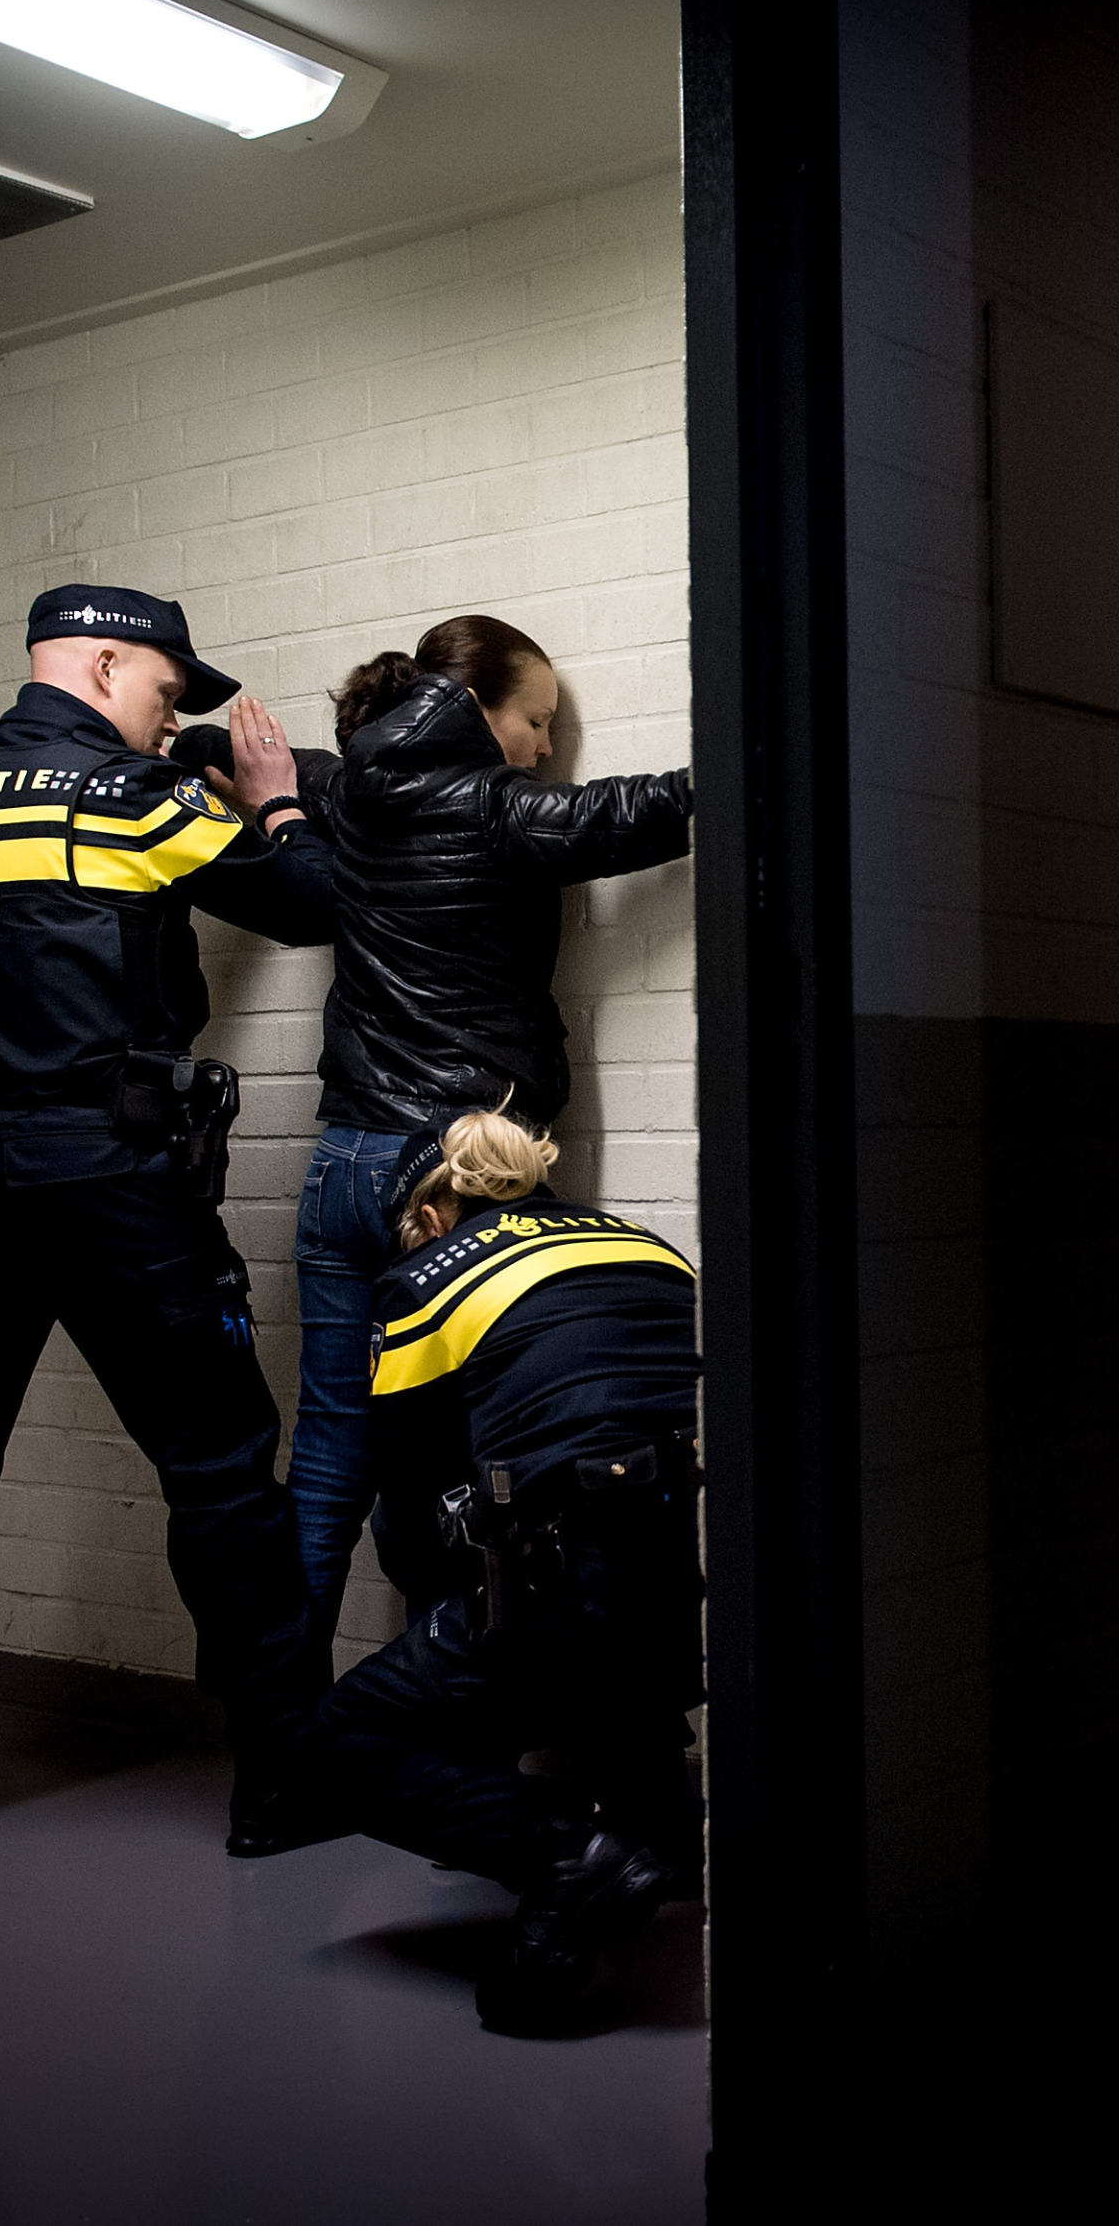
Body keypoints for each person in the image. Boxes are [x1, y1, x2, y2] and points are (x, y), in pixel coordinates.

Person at [0, 582, 341, 1855]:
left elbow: (54, 889)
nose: (169, 711)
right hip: (116, 1184)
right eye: (164, 690)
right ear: (100, 665)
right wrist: (276, 796)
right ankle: (285, 1775)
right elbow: (305, 902)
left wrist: (177, 756)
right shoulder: (133, 802)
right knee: (222, 1474)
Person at [289, 615, 695, 1659]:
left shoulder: (347, 791)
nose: (546, 745)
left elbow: (275, 763)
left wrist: (219, 758)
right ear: (477, 710)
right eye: (536, 720)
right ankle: (447, 1723)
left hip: (343, 1160)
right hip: (456, 1172)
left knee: (334, 1455)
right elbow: (645, 811)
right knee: (459, 1465)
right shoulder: (497, 809)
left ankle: (274, 1754)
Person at [301, 1104, 705, 2034]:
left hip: (563, 1601)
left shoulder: (423, 1284)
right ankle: (664, 1832)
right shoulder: (646, 1245)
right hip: (698, 1594)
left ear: (432, 1211)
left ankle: (572, 1854)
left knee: (334, 1749)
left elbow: (405, 1499)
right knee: (617, 1563)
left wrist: (446, 1622)